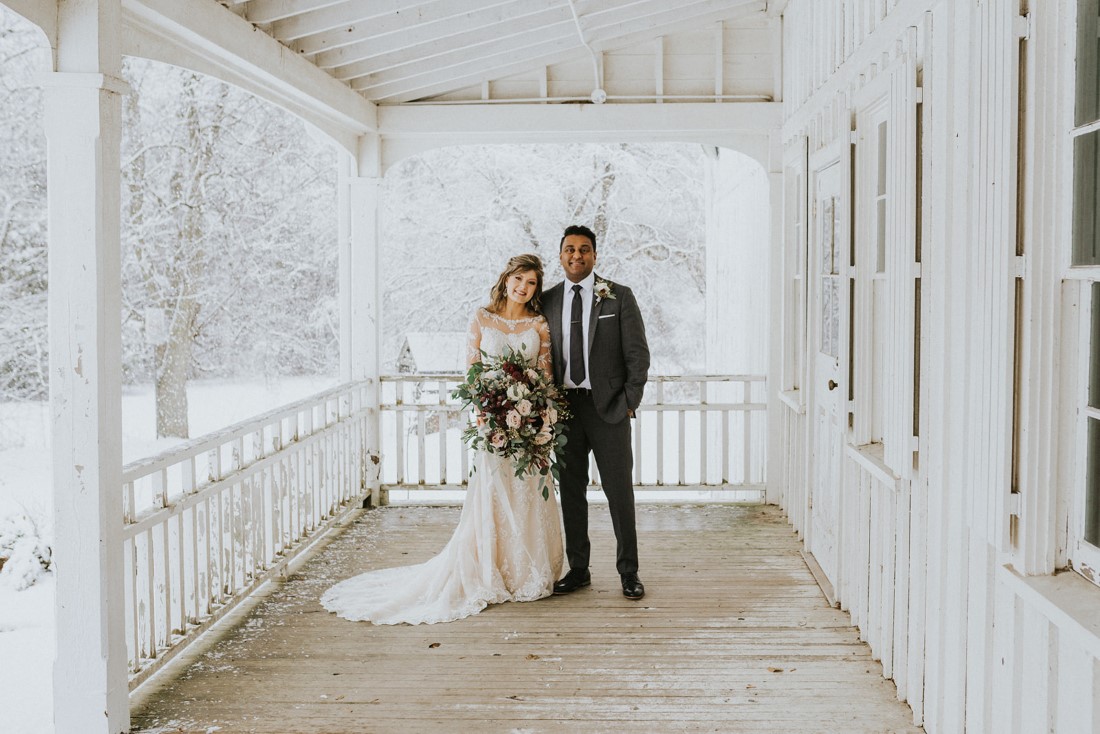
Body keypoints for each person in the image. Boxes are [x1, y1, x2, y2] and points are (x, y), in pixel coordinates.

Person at [321, 254, 565, 624]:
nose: (523, 287)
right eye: (518, 279)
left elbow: (545, 377)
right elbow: (471, 374)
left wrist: (539, 415)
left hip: (529, 425)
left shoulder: (539, 324)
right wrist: (487, 412)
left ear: (535, 289)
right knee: (493, 495)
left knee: (528, 493)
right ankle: (490, 571)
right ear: (505, 279)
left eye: (530, 283)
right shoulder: (483, 318)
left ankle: (527, 570)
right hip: (493, 424)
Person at [541, 225, 650, 599]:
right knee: (571, 492)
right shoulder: (549, 300)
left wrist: (628, 402)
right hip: (566, 411)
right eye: (569, 250)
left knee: (619, 492)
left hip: (609, 409)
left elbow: (638, 356)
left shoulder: (618, 297)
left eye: (584, 249)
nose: (576, 255)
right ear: (560, 256)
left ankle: (629, 572)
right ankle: (579, 569)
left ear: (594, 255)